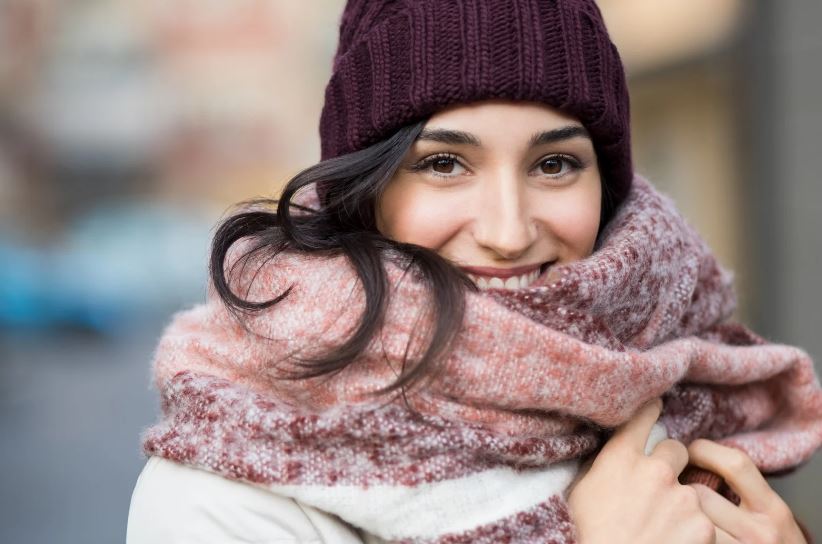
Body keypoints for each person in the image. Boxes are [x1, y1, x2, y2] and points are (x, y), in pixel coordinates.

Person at [127, 1, 821, 543]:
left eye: (555, 164)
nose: (509, 231)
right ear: (364, 191)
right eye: (443, 164)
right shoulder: (226, 486)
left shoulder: (677, 393)